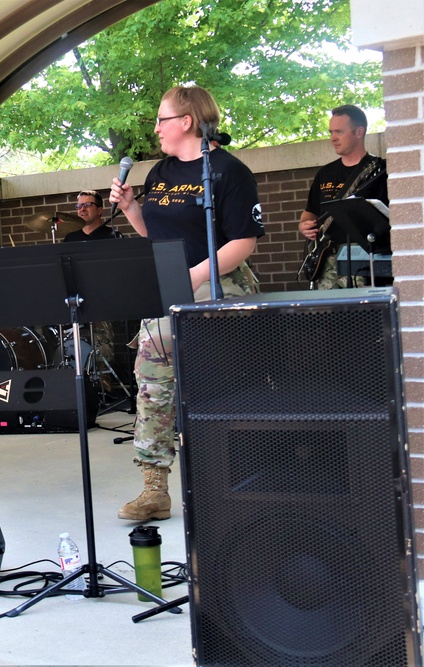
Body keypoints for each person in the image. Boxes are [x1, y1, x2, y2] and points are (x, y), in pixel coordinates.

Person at [109, 86, 264, 521]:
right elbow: (152, 236)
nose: (155, 128)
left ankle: (236, 478)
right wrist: (131, 209)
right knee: (152, 383)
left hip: (219, 284)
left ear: (187, 122)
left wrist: (193, 277)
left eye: (162, 119)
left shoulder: (229, 172)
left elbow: (243, 241)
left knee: (224, 385)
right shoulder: (160, 172)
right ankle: (154, 489)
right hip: (169, 288)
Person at [297, 104, 389, 289]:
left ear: (359, 132)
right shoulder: (325, 173)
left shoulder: (381, 170)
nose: (333, 138)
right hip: (326, 259)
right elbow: (310, 212)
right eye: (331, 131)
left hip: (363, 259)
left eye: (339, 131)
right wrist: (304, 226)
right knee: (327, 314)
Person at [61, 189, 120, 375]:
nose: (82, 210)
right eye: (79, 206)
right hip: (76, 301)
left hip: (104, 301)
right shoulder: (71, 239)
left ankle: (104, 384)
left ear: (100, 209)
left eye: (87, 205)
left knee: (101, 348)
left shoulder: (112, 237)